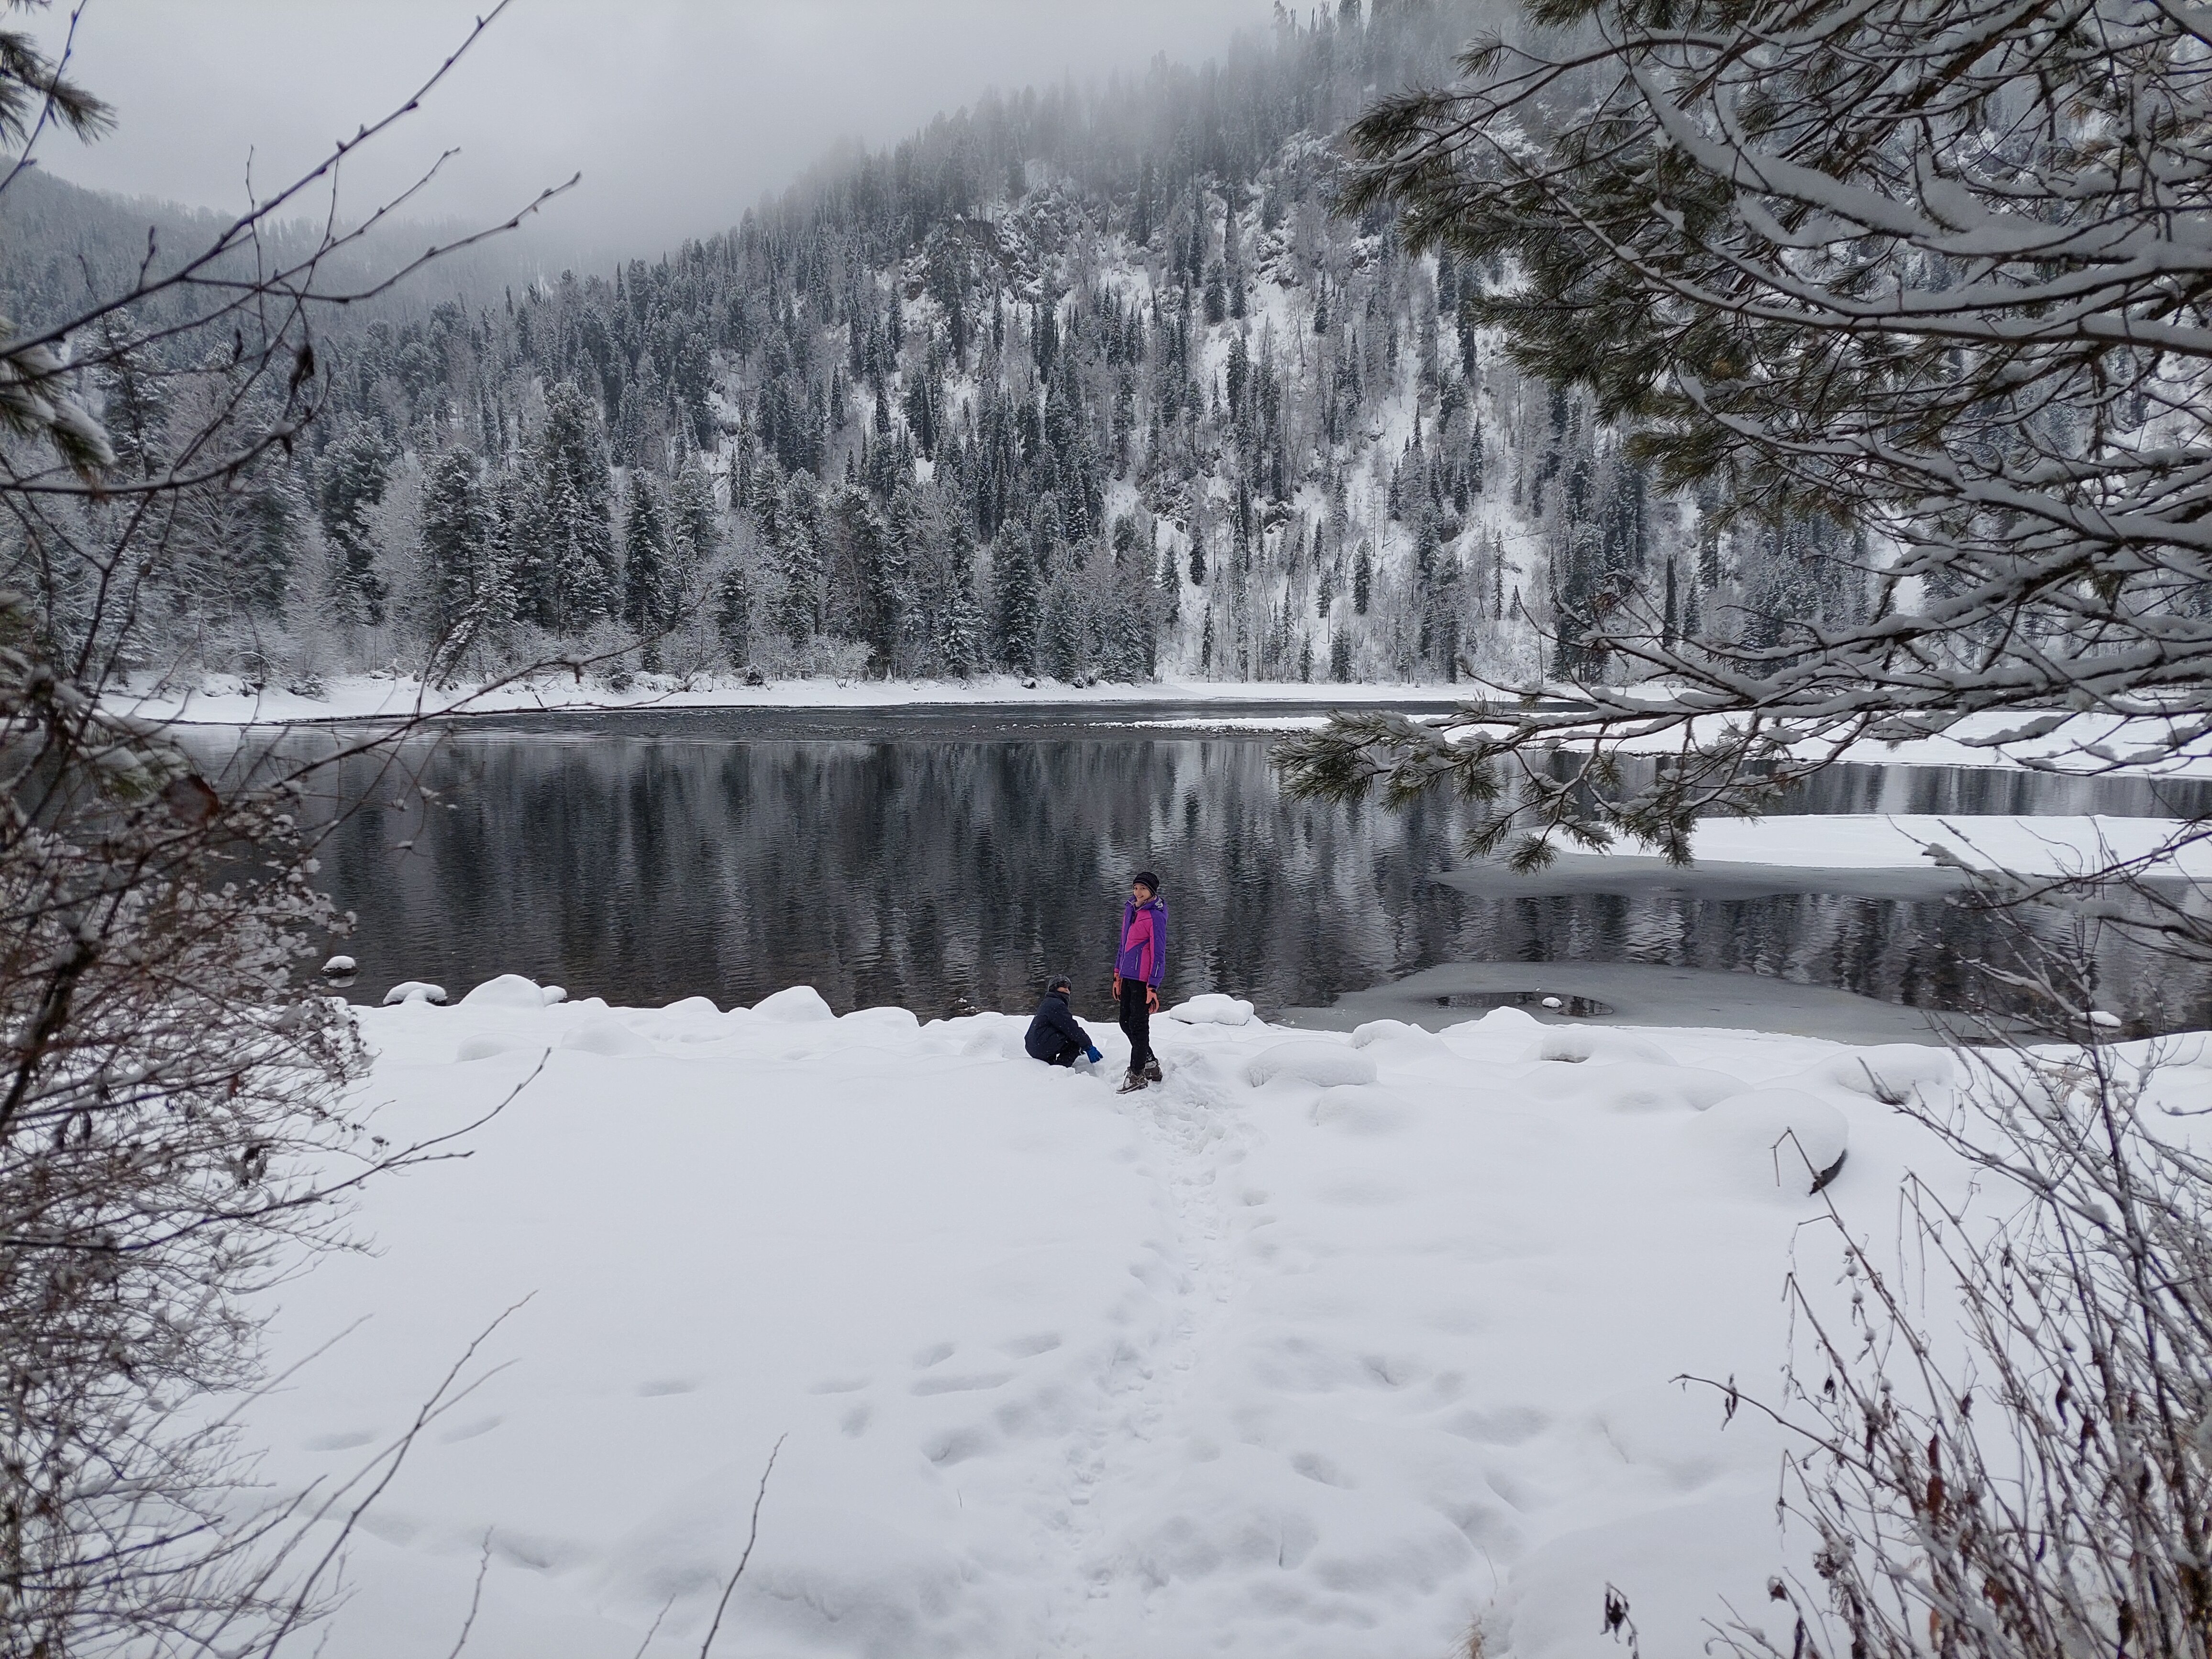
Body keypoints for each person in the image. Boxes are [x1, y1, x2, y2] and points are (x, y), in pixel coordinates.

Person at [1112, 871, 1168, 1094]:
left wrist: (1153, 986)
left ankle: (1136, 1074)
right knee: (1124, 1022)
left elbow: (1159, 953)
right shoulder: (1131, 909)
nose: (1138, 893)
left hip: (1143, 980)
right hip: (1127, 975)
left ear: (1152, 892)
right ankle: (1151, 1065)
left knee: (1138, 1025)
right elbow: (1123, 944)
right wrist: (1117, 975)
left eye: (1143, 889)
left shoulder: (1156, 915)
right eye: (1136, 888)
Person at [1025, 975, 1102, 1069]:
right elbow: (1072, 1028)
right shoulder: (1056, 1005)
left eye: (1068, 987)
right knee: (1075, 1041)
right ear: (1054, 988)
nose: (1067, 989)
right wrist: (1088, 1046)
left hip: (1036, 1046)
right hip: (1041, 1046)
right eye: (1063, 985)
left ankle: (1050, 1064)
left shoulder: (1049, 1002)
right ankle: (1060, 1069)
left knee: (1070, 1036)